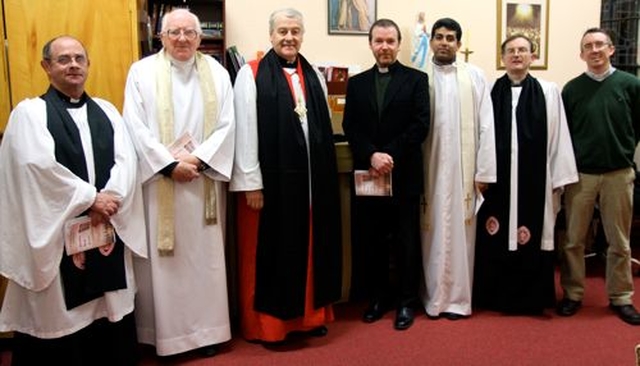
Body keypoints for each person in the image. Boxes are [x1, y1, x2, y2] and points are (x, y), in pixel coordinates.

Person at [0, 35, 146, 365]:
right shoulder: (30, 113)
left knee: (107, 305)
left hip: (105, 223)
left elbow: (127, 160)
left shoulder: (107, 112)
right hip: (61, 230)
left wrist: (112, 197)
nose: (73, 65)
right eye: (63, 59)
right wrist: (90, 198)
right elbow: (35, 167)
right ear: (46, 67)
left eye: (79, 58)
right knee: (61, 312)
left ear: (88, 64)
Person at [122, 8, 235, 356]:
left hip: (201, 183)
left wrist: (198, 161)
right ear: (161, 37)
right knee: (164, 261)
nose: (182, 39)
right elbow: (134, 126)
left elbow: (227, 125)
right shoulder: (141, 72)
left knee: (203, 261)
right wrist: (169, 165)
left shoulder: (216, 72)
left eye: (190, 33)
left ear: (200, 38)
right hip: (161, 185)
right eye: (174, 32)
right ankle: (164, 338)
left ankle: (207, 334)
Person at [230, 8, 342, 343]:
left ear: (302, 35)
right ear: (271, 35)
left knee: (309, 247)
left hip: (310, 184)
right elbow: (245, 131)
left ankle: (308, 318)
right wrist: (251, 181)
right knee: (272, 252)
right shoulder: (250, 75)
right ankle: (271, 327)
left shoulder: (314, 76)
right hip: (270, 186)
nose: (289, 37)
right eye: (282, 31)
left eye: (295, 31)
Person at [473, 34, 578, 315]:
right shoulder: (491, 91)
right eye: (511, 51)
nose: (517, 55)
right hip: (498, 181)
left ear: (533, 56)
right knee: (495, 231)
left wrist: (558, 179)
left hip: (535, 181)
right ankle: (495, 297)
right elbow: (481, 135)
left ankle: (532, 299)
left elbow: (558, 137)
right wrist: (481, 173)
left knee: (533, 231)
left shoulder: (547, 91)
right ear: (503, 58)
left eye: (522, 50)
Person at [342, 18, 430, 330]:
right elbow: (350, 125)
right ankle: (378, 298)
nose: (384, 47)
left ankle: (406, 302)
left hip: (403, 174)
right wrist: (372, 155)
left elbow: (420, 125)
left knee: (406, 242)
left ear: (398, 44)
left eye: (390, 41)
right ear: (370, 44)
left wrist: (388, 153)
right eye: (379, 41)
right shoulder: (357, 83)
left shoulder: (417, 80)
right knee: (373, 241)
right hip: (369, 175)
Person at [557, 27, 640, 325]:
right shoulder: (571, 89)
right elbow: (563, 133)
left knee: (620, 241)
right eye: (588, 46)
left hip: (619, 173)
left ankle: (621, 297)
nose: (594, 50)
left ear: (611, 49)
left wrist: (624, 150)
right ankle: (573, 293)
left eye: (599, 45)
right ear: (581, 54)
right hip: (581, 175)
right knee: (574, 240)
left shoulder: (631, 85)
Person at [420, 17, 496, 320]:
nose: (443, 42)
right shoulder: (418, 77)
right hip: (431, 167)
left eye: (450, 38)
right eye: (438, 36)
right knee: (431, 233)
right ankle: (433, 298)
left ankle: (458, 300)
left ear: (458, 44)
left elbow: (486, 125)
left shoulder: (475, 76)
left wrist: (485, 172)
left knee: (462, 236)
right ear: (432, 42)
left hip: (465, 172)